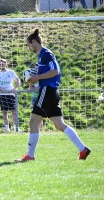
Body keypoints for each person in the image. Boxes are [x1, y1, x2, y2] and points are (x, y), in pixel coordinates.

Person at [15, 28, 91, 162]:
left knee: (33, 122)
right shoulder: (42, 56)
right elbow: (49, 76)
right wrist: (36, 82)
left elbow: (55, 71)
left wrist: (37, 77)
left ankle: (30, 155)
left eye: (28, 45)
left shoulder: (46, 53)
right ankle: (82, 149)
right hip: (51, 91)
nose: (29, 48)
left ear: (34, 41)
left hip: (49, 91)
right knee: (59, 125)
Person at [0, 59, 20, 132]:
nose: (2, 65)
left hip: (11, 94)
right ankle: (7, 129)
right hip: (2, 95)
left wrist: (16, 88)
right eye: (0, 64)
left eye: (3, 64)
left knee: (13, 111)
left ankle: (16, 128)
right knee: (4, 112)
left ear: (6, 64)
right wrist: (1, 89)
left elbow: (18, 80)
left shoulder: (11, 72)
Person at [29, 63, 44, 132]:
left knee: (40, 113)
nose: (36, 70)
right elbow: (30, 88)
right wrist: (35, 88)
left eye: (38, 68)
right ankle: (36, 129)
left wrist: (37, 88)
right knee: (35, 113)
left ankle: (41, 129)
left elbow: (41, 88)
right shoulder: (32, 78)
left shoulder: (43, 77)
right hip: (34, 97)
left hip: (41, 97)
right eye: (35, 68)